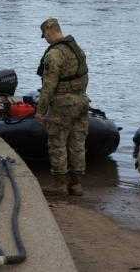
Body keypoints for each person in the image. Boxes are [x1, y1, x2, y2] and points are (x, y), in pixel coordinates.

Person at [36, 18, 90, 196]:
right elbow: (84, 77)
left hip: (62, 104)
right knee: (77, 143)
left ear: (50, 30)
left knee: (57, 142)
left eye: (44, 35)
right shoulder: (77, 49)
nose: (45, 39)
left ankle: (59, 184)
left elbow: (48, 86)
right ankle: (76, 185)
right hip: (81, 101)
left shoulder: (54, 54)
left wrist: (40, 110)